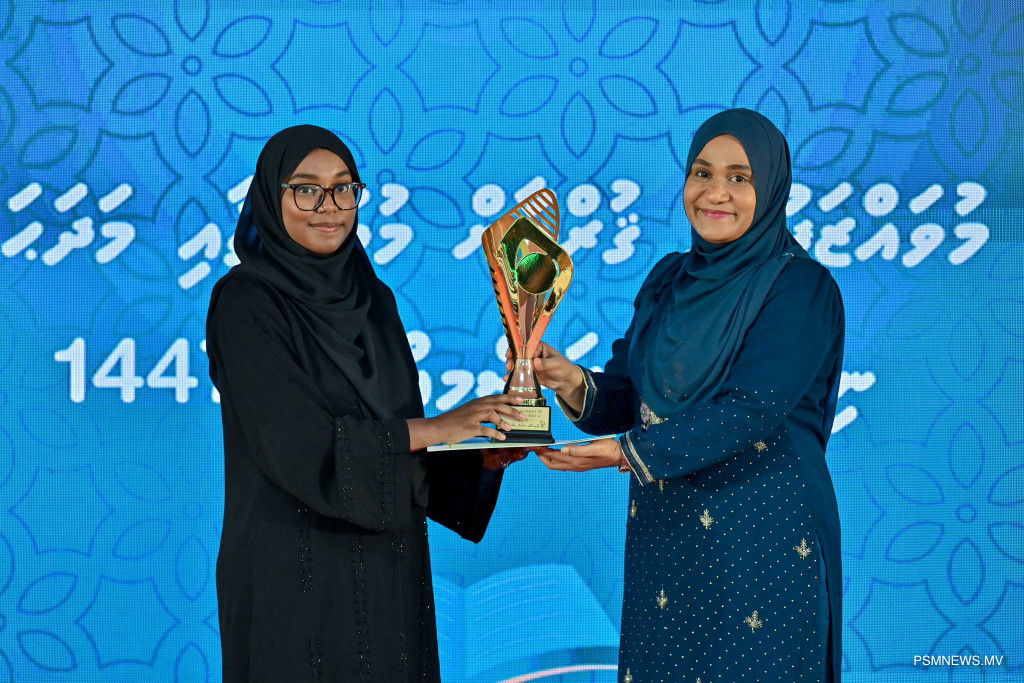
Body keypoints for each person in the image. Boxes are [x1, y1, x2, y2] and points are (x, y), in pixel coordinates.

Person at [527, 109, 844, 681]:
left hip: (761, 539)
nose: (715, 193)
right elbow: (633, 397)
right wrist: (569, 379)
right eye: (702, 173)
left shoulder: (800, 285)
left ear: (772, 189)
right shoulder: (668, 279)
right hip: (668, 537)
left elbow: (751, 408)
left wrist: (625, 452)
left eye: (739, 178)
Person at [206, 124, 527, 682]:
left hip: (386, 565)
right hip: (291, 566)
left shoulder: (374, 299)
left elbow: (392, 440)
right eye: (306, 189)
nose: (329, 207)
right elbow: (297, 445)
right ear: (270, 197)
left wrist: (476, 458)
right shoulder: (246, 301)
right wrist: (440, 427)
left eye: (343, 188)